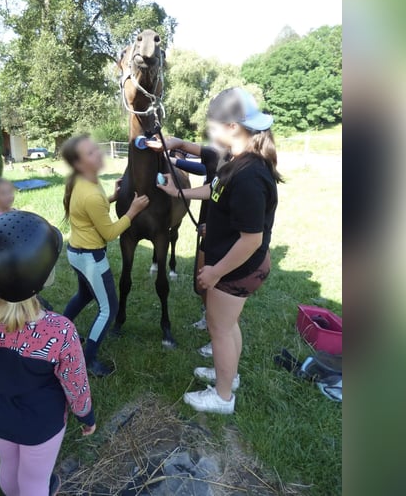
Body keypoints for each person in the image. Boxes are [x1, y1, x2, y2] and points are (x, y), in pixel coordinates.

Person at [157, 88, 282, 414]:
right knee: (228, 326)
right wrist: (178, 190)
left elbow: (251, 239)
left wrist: (215, 271)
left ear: (232, 127)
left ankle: (222, 397)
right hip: (236, 265)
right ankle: (228, 374)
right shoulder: (236, 161)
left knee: (220, 329)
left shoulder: (250, 175)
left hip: (237, 268)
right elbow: (215, 189)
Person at [0, 210, 95, 496]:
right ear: (41, 277)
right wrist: (86, 417)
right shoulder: (60, 331)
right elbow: (76, 383)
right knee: (34, 481)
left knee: (8, 466)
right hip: (39, 422)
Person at [61, 135, 150, 377]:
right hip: (90, 259)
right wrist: (133, 211)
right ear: (79, 164)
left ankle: (57, 330)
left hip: (76, 253)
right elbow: (110, 233)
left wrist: (110, 197)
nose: (98, 153)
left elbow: (89, 212)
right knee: (108, 309)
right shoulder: (91, 193)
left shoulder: (84, 182)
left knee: (84, 295)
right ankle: (88, 361)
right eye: (90, 153)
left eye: (95, 149)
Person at [145, 135, 223, 335]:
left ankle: (219, 329)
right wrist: (173, 148)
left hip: (220, 229)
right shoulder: (215, 154)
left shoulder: (238, 166)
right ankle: (209, 317)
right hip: (208, 222)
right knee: (201, 282)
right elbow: (208, 179)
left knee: (218, 284)